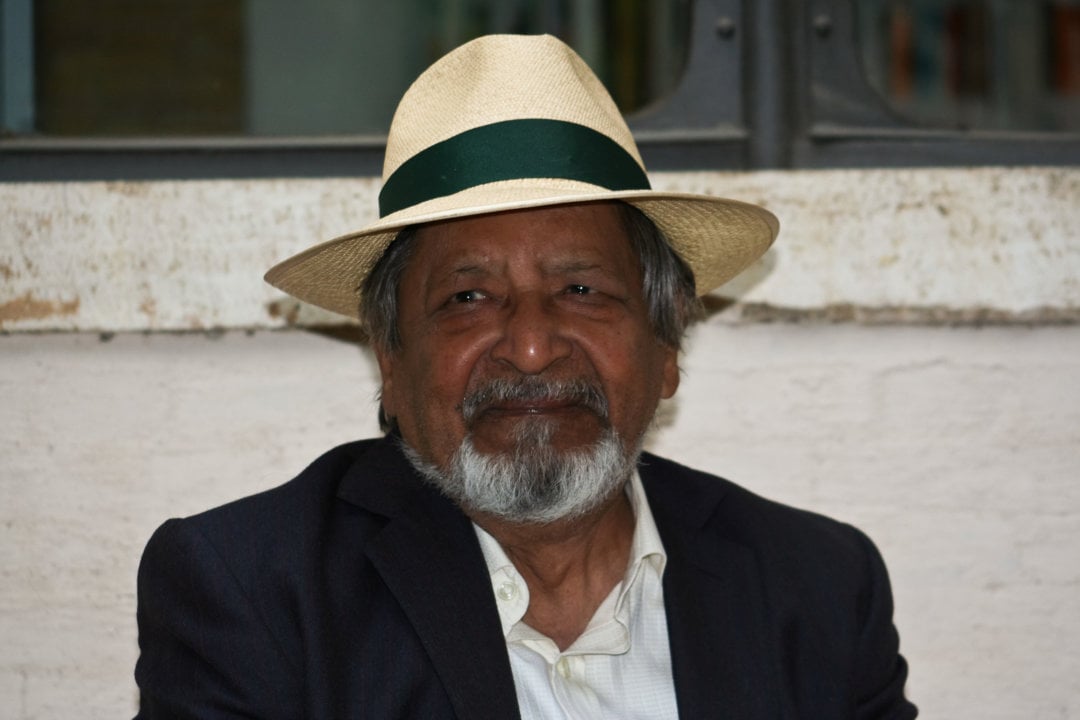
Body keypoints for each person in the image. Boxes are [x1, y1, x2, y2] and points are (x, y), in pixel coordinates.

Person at [134, 34, 916, 719]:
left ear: (666, 348)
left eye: (581, 289)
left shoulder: (817, 587)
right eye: (468, 298)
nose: (533, 348)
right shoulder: (254, 594)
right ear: (391, 362)